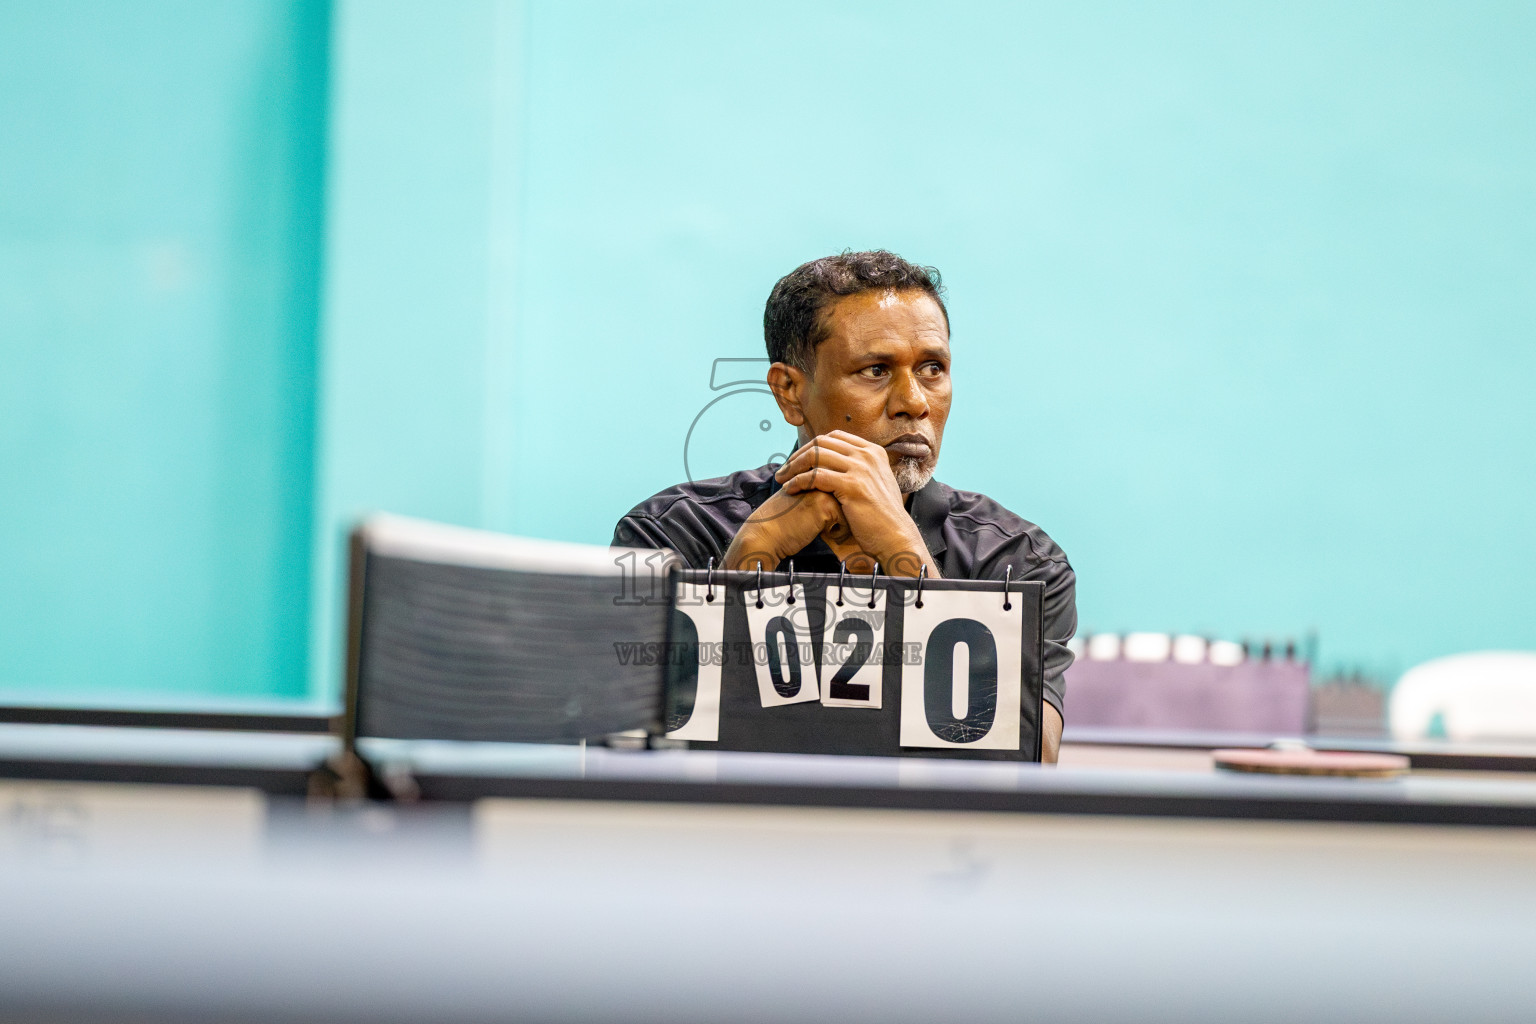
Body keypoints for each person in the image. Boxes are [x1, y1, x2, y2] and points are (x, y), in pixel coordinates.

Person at [613, 250, 1076, 761]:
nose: (914, 401)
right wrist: (745, 565)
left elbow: (1026, 770)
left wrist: (904, 551)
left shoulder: (1019, 562)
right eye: (876, 370)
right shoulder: (670, 536)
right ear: (789, 392)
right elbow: (633, 748)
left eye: (932, 368)